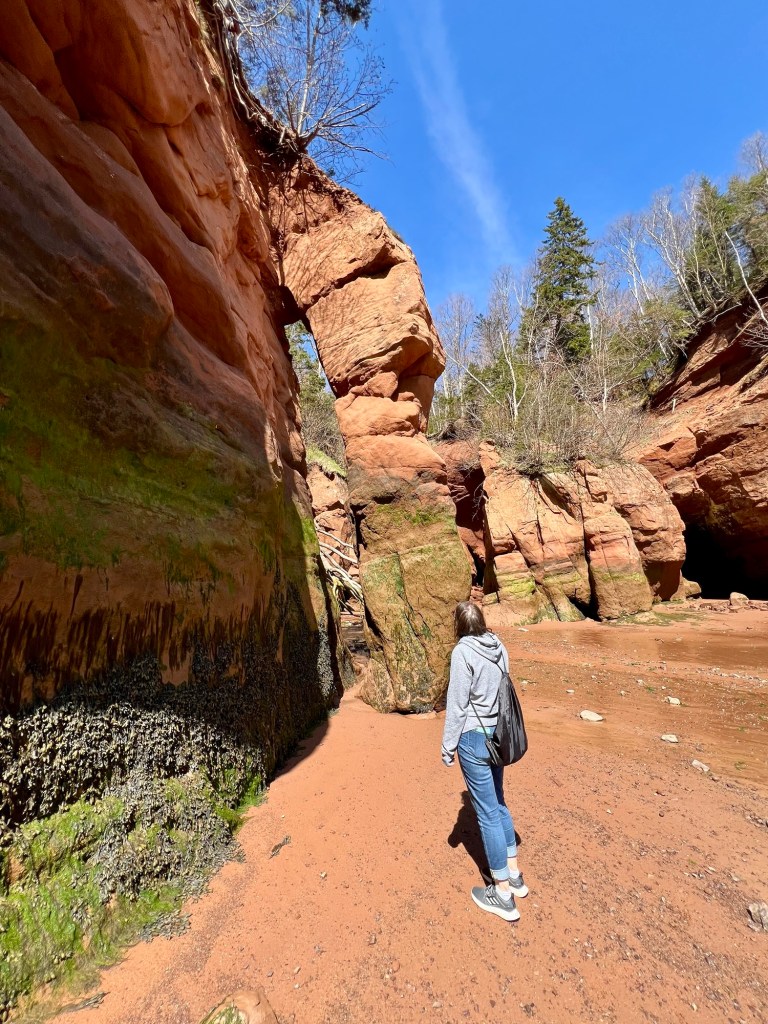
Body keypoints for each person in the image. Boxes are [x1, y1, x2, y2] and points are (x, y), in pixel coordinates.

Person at [441, 600, 527, 922]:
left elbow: (457, 705)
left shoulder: (462, 652)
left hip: (473, 739)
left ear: (459, 625)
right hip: (498, 736)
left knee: (488, 813)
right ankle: (514, 875)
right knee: (499, 803)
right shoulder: (498, 645)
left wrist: (448, 746)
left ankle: (502, 894)